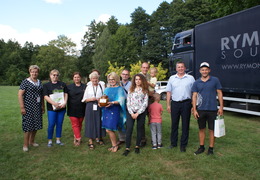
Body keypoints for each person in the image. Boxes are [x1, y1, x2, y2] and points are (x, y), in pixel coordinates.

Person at [192, 62, 224, 155]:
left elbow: (220, 93)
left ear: (209, 70)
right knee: (201, 129)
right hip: (201, 110)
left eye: (206, 69)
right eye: (202, 70)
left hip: (212, 109)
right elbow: (194, 96)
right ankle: (201, 147)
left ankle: (211, 149)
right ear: (200, 71)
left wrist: (221, 107)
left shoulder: (215, 80)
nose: (204, 71)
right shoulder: (196, 82)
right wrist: (194, 109)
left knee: (212, 130)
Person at [166, 61, 195, 152]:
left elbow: (194, 93)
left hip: (186, 103)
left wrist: (193, 106)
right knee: (174, 124)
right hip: (175, 103)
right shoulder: (172, 78)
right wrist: (168, 104)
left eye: (182, 67)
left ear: (185, 68)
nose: (180, 68)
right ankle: (173, 143)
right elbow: (168, 92)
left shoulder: (190, 78)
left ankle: (183, 145)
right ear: (176, 69)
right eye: (178, 67)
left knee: (185, 125)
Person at [18, 65, 45, 152]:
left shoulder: (39, 82)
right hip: (28, 107)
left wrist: (42, 106)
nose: (34, 73)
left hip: (37, 107)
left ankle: (32, 142)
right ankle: (25, 144)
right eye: (32, 71)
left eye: (36, 72)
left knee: (36, 125)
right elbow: (20, 95)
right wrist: (22, 107)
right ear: (30, 72)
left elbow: (41, 95)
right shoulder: (25, 82)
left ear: (38, 73)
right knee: (28, 126)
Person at [123, 74, 149, 156]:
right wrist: (131, 113)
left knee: (139, 128)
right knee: (129, 128)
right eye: (136, 79)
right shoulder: (131, 90)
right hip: (131, 112)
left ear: (142, 80)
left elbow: (145, 103)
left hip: (140, 112)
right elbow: (128, 102)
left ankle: (137, 145)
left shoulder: (144, 90)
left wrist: (138, 113)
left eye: (139, 79)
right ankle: (127, 147)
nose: (137, 81)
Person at [101, 72, 126, 152]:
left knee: (109, 129)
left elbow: (121, 101)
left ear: (116, 79)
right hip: (106, 110)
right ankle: (113, 145)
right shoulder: (107, 89)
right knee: (107, 129)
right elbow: (103, 98)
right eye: (110, 79)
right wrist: (100, 103)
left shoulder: (120, 89)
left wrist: (112, 103)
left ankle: (115, 146)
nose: (111, 81)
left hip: (114, 110)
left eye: (113, 79)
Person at [43, 69, 68, 147]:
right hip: (51, 108)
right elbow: (45, 96)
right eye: (54, 75)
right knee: (51, 124)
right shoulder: (46, 85)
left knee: (59, 124)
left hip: (62, 107)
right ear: (50, 75)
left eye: (57, 75)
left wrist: (65, 102)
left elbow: (66, 94)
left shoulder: (63, 84)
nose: (55, 76)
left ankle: (58, 139)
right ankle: (50, 140)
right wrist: (53, 103)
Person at [82, 72, 106, 150]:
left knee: (99, 121)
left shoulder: (101, 86)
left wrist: (101, 100)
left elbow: (105, 96)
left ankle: (99, 137)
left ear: (98, 79)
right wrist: (91, 99)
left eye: (96, 78)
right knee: (90, 122)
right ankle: (90, 140)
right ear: (90, 79)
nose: (95, 80)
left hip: (99, 105)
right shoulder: (88, 87)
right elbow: (84, 99)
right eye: (93, 78)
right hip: (90, 105)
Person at [67, 72, 86, 146]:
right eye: (75, 77)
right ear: (73, 78)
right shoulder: (69, 87)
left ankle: (76, 136)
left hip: (82, 108)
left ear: (80, 78)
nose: (76, 78)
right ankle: (78, 139)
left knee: (80, 123)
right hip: (72, 108)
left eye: (78, 77)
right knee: (75, 124)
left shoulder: (85, 86)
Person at [117, 69, 132, 146]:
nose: (125, 75)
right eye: (123, 74)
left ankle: (128, 137)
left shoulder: (132, 84)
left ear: (128, 76)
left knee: (128, 122)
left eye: (126, 74)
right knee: (120, 121)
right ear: (121, 75)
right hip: (119, 103)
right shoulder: (117, 83)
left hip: (129, 103)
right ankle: (121, 138)